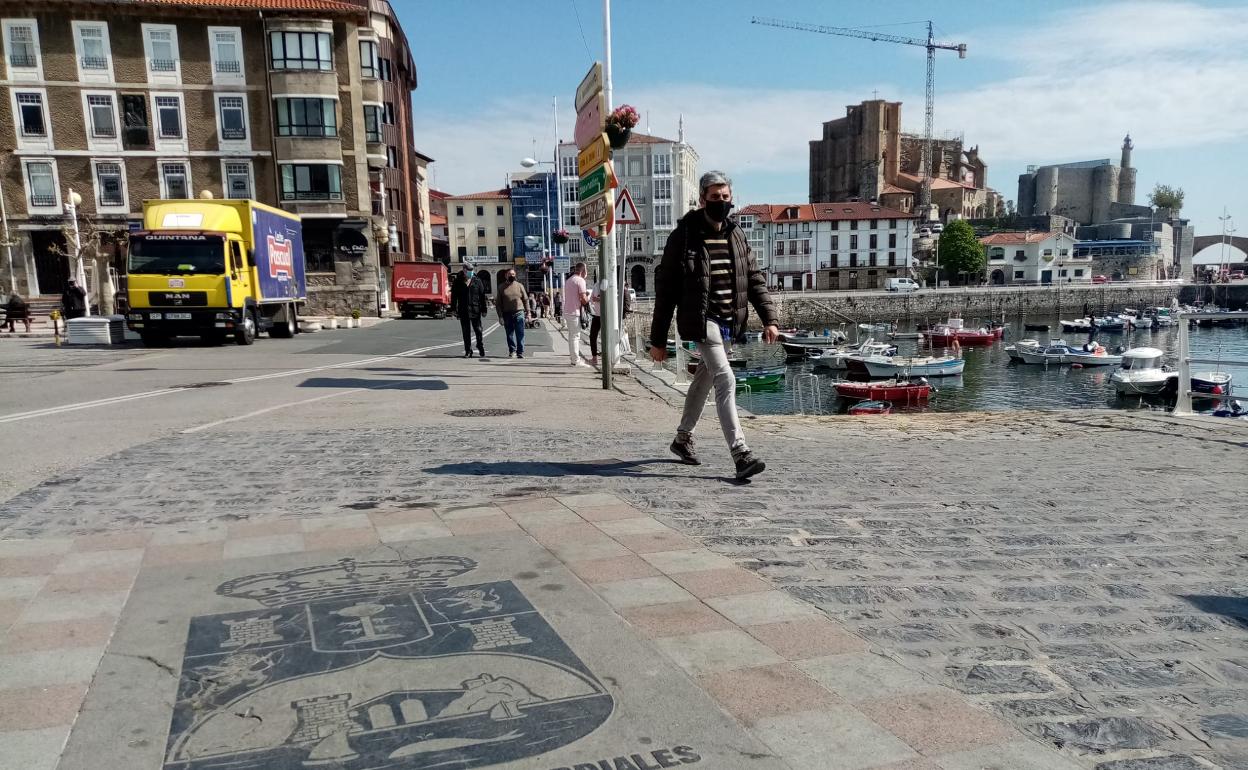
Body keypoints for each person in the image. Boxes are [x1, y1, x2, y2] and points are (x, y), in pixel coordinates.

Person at [650, 170, 778, 480]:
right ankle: (740, 453)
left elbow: (755, 280)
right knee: (726, 379)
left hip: (730, 322)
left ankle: (681, 439)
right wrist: (657, 339)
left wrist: (769, 319)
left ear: (730, 199)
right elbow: (666, 290)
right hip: (701, 320)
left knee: (703, 381)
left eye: (725, 197)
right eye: (714, 197)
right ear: (702, 199)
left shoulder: (737, 235)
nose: (720, 202)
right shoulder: (683, 236)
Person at [450, 264, 487, 358]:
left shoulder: (477, 281)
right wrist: (453, 309)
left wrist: (484, 309)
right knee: (466, 331)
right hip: (463, 310)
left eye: (472, 270)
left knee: (478, 330)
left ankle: (480, 345)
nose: (471, 272)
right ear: (464, 270)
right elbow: (454, 296)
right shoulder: (458, 281)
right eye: (469, 270)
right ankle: (468, 350)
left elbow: (482, 296)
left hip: (475, 309)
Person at [496, 268, 528, 358]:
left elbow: (525, 299)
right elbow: (498, 304)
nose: (512, 276)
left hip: (519, 312)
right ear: (506, 275)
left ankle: (520, 352)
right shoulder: (501, 287)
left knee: (520, 333)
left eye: (513, 274)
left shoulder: (520, 286)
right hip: (507, 314)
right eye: (510, 274)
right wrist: (500, 317)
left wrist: (528, 312)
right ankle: (512, 350)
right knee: (509, 334)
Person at [562, 263, 590, 366]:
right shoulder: (580, 280)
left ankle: (574, 358)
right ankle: (576, 360)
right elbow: (583, 298)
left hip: (568, 311)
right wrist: (588, 300)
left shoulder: (569, 280)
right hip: (575, 311)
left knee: (571, 336)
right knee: (575, 336)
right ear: (583, 271)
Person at [588, 278, 604, 367]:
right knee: (592, 336)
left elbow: (609, 297)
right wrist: (598, 298)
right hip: (597, 315)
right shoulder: (596, 285)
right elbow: (592, 299)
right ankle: (594, 357)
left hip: (607, 316)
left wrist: (598, 298)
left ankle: (609, 356)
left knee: (607, 337)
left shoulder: (610, 282)